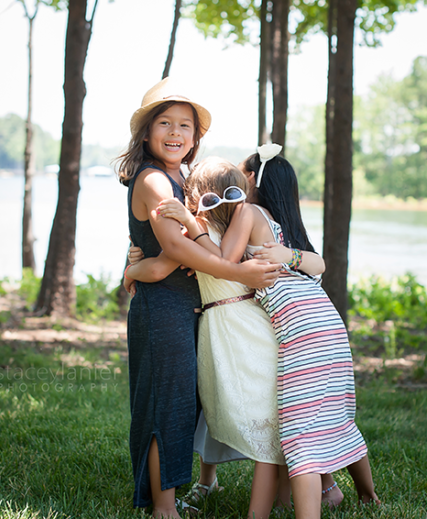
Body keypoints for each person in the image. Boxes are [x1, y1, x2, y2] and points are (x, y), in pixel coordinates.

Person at [158, 144, 380, 519]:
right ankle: (357, 495)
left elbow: (223, 261)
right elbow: (318, 263)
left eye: (240, 179)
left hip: (297, 326)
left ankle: (311, 493)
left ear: (250, 181)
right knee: (330, 414)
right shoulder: (282, 224)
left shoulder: (248, 211)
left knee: (295, 426)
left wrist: (192, 224)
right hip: (324, 319)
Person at [126, 157, 342, 518]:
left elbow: (175, 263)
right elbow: (175, 260)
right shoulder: (231, 227)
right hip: (238, 325)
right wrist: (135, 263)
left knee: (265, 410)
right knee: (258, 407)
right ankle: (294, 491)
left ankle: (296, 493)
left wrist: (134, 268)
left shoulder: (225, 229)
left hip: (238, 326)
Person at [117, 77, 279, 518]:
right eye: (164, 123)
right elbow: (175, 248)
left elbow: (200, 235)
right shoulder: (153, 180)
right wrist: (237, 270)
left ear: (195, 137)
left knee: (189, 403)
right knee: (164, 404)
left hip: (193, 305)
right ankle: (163, 507)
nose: (174, 133)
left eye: (184, 126)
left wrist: (141, 261)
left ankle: (193, 483)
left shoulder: (185, 178)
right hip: (163, 308)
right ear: (147, 133)